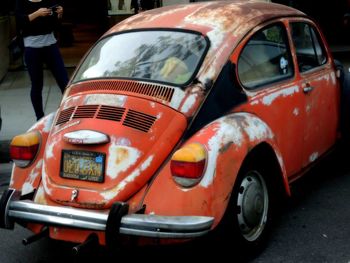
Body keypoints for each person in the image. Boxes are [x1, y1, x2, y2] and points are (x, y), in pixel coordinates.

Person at [15, 0, 69, 120]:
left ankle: (69, 113)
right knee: (37, 84)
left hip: (50, 44)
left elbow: (55, 24)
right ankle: (39, 118)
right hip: (32, 48)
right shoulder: (21, 2)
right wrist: (37, 13)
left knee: (64, 82)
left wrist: (59, 14)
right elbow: (20, 22)